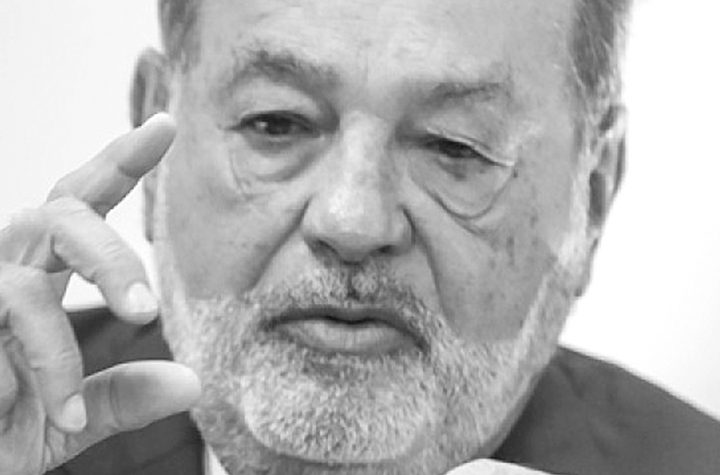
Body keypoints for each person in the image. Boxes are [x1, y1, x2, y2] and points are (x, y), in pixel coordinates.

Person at [1, 0, 719, 474]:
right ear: (155, 145)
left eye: (455, 145)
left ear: (591, 195)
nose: (351, 220)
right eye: (275, 123)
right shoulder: (17, 417)